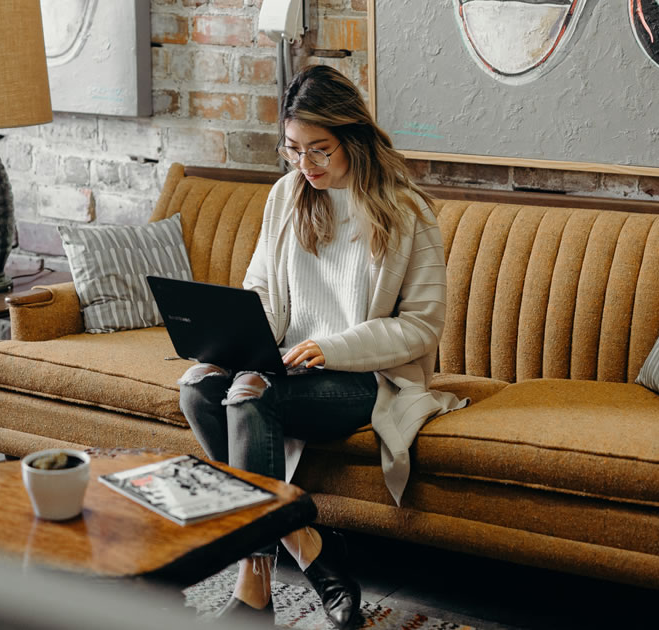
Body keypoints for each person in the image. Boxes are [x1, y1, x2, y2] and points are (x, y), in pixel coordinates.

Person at [177, 64, 465, 629]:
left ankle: (253, 590)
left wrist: (331, 348)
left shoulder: (407, 212)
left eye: (319, 151)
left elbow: (422, 326)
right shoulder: (286, 196)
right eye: (293, 150)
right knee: (198, 387)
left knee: (249, 397)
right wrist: (233, 342)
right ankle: (308, 543)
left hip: (363, 377)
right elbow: (260, 288)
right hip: (285, 361)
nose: (305, 166)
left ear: (353, 138)